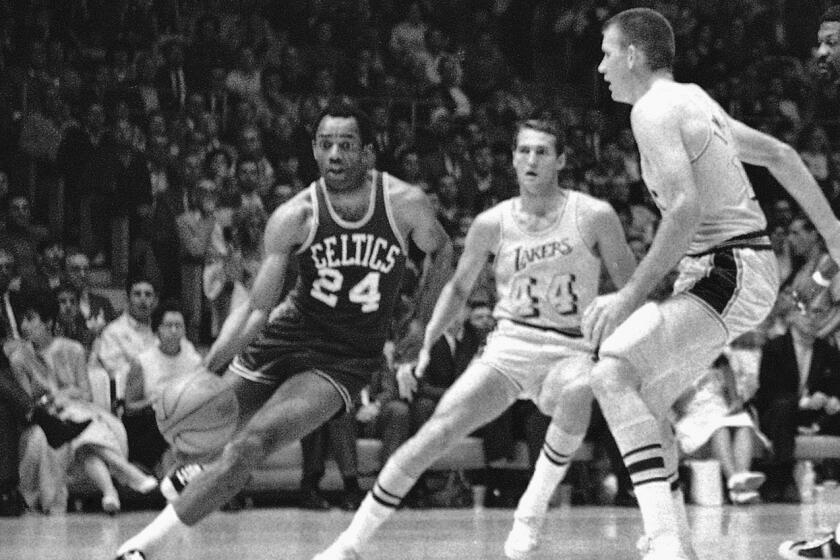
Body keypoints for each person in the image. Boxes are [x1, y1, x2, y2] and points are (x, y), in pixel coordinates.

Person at [114, 98, 452, 560]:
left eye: (347, 145)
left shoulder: (403, 203)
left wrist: (420, 320)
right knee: (205, 426)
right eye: (326, 145)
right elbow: (256, 309)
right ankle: (198, 474)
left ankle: (140, 550)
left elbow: (443, 251)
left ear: (368, 152)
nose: (335, 155)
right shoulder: (295, 215)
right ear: (314, 149)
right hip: (286, 336)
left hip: (343, 358)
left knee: (251, 444)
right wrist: (210, 366)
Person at [313, 115, 636, 560]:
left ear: (561, 159)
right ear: (513, 160)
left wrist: (626, 346)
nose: (531, 159)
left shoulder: (595, 215)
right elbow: (459, 288)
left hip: (570, 347)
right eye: (523, 150)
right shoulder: (492, 222)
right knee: (435, 434)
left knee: (580, 390)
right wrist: (425, 343)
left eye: (542, 151)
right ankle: (350, 543)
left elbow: (630, 286)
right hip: (510, 346)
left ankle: (530, 512)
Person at [582, 8, 840, 560]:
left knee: (612, 371)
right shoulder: (695, 98)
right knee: (644, 402)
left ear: (632, 54)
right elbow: (781, 155)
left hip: (729, 267)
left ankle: (667, 541)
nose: (601, 66)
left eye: (606, 52)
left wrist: (630, 296)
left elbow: (682, 210)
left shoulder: (652, 109)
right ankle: (674, 539)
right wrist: (835, 233)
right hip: (736, 269)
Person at [11, 290, 157, 514]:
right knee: (74, 431)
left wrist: (64, 397)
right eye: (22, 319)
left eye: (30, 319)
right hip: (46, 419)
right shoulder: (19, 359)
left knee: (78, 433)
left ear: (48, 322)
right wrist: (59, 396)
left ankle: (110, 493)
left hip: (80, 411)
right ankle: (124, 474)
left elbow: (86, 394)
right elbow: (28, 404)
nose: (24, 326)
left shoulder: (73, 349)